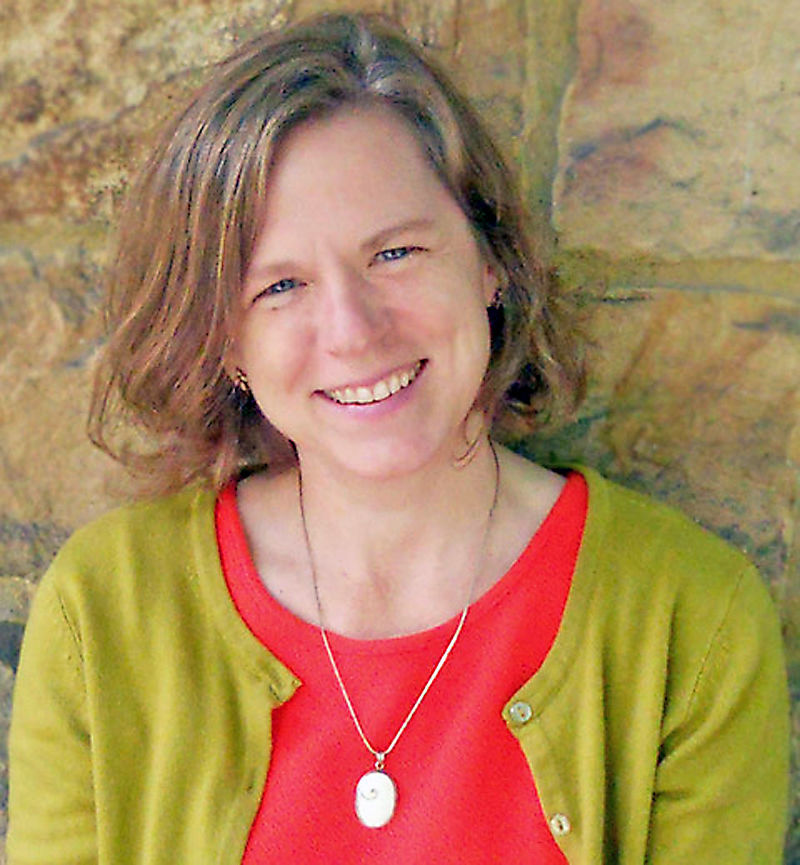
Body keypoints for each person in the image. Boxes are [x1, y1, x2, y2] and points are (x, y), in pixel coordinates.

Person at [7, 11, 789, 864]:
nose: (352, 330)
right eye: (280, 286)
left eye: (395, 253)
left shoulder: (689, 618)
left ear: (491, 261)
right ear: (225, 341)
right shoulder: (104, 610)